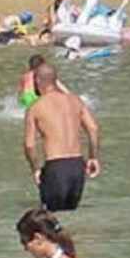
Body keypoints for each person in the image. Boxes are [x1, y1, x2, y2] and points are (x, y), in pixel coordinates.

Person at [23, 62, 101, 212]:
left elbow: (29, 145)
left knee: (49, 221)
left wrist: (36, 169)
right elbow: (93, 128)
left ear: (37, 81)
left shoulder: (35, 107)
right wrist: (93, 157)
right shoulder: (75, 101)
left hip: (56, 166)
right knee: (70, 215)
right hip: (78, 166)